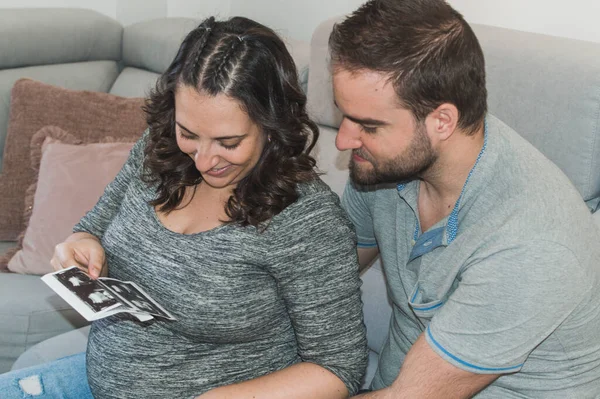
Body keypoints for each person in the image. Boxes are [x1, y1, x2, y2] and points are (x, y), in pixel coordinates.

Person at [0, 16, 368, 399]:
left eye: (229, 142)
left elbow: (338, 368)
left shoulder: (307, 220)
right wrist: (81, 244)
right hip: (96, 381)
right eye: (189, 133)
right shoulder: (158, 150)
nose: (204, 159)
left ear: (272, 125)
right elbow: (93, 225)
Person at [329, 0, 600, 398]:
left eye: (369, 125)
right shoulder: (382, 166)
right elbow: (326, 275)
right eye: (343, 114)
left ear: (442, 121)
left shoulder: (532, 243)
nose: (343, 139)